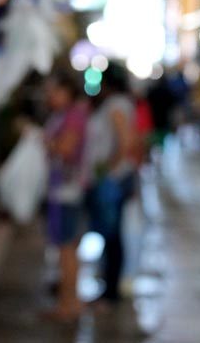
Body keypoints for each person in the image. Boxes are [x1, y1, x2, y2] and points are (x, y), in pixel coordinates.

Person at [85, 64, 137, 305]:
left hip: (113, 179)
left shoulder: (116, 105)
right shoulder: (121, 103)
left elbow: (125, 142)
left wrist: (109, 170)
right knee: (111, 234)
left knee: (112, 234)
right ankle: (109, 287)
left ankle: (111, 291)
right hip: (113, 176)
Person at [42, 71, 89, 321]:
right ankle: (70, 302)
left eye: (55, 91)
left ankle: (68, 304)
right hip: (64, 189)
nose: (51, 96)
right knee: (67, 248)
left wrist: (42, 141)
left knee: (67, 249)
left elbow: (66, 149)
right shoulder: (68, 115)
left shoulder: (72, 117)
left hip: (68, 191)